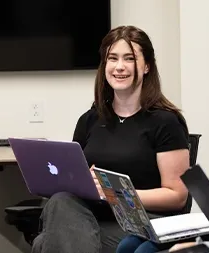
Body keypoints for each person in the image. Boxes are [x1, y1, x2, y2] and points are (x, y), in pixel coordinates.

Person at [31, 25, 190, 253]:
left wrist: (114, 193)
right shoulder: (90, 119)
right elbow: (77, 179)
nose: (119, 67)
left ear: (146, 66)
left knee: (45, 244)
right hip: (91, 220)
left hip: (141, 227)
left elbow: (177, 196)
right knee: (60, 200)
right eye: (112, 58)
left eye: (129, 58)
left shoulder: (165, 122)